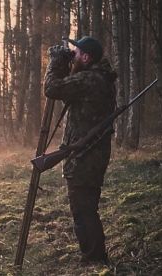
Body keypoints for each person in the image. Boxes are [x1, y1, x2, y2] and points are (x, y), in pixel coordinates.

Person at [43, 36, 117, 264]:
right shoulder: (96, 78)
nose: (73, 55)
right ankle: (93, 255)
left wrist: (55, 62)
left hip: (86, 155)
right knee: (85, 206)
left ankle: (94, 258)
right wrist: (66, 64)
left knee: (83, 208)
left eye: (76, 53)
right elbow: (68, 87)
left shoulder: (91, 79)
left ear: (86, 57)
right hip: (88, 153)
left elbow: (52, 88)